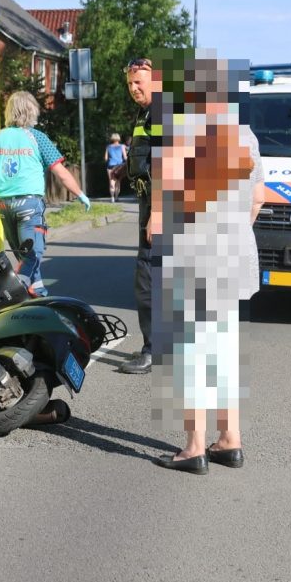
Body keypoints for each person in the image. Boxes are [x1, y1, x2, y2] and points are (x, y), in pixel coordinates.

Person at [147, 51, 264, 475]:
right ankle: (230, 439)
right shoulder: (246, 136)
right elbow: (258, 198)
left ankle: (194, 447)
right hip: (235, 255)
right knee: (223, 349)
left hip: (195, 256)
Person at [0, 91, 90, 297]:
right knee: (33, 253)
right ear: (31, 111)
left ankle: (38, 291)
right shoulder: (37, 138)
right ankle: (10, 290)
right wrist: (80, 193)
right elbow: (61, 172)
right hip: (29, 204)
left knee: (22, 254)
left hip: (4, 205)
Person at [116, 57, 154, 374]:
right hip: (150, 203)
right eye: (130, 83)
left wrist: (159, 213)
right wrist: (124, 168)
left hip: (160, 207)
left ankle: (154, 350)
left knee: (148, 280)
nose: (133, 88)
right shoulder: (146, 113)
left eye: (138, 82)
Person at [104, 132, 127, 202]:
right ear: (118, 138)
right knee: (118, 182)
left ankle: (112, 198)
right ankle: (116, 197)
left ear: (112, 138)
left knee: (111, 181)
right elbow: (125, 157)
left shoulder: (108, 147)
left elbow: (105, 158)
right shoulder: (122, 146)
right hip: (119, 166)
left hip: (110, 166)